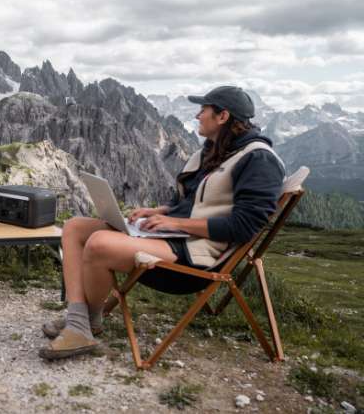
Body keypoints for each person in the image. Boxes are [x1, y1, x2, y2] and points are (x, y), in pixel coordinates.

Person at [38, 86, 285, 359]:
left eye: (203, 110)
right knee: (75, 227)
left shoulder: (259, 159)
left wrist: (175, 224)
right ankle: (81, 320)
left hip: (195, 256)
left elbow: (244, 226)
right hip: (173, 238)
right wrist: (157, 211)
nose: (197, 115)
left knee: (98, 244)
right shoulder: (215, 150)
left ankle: (82, 328)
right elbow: (190, 202)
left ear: (222, 116)